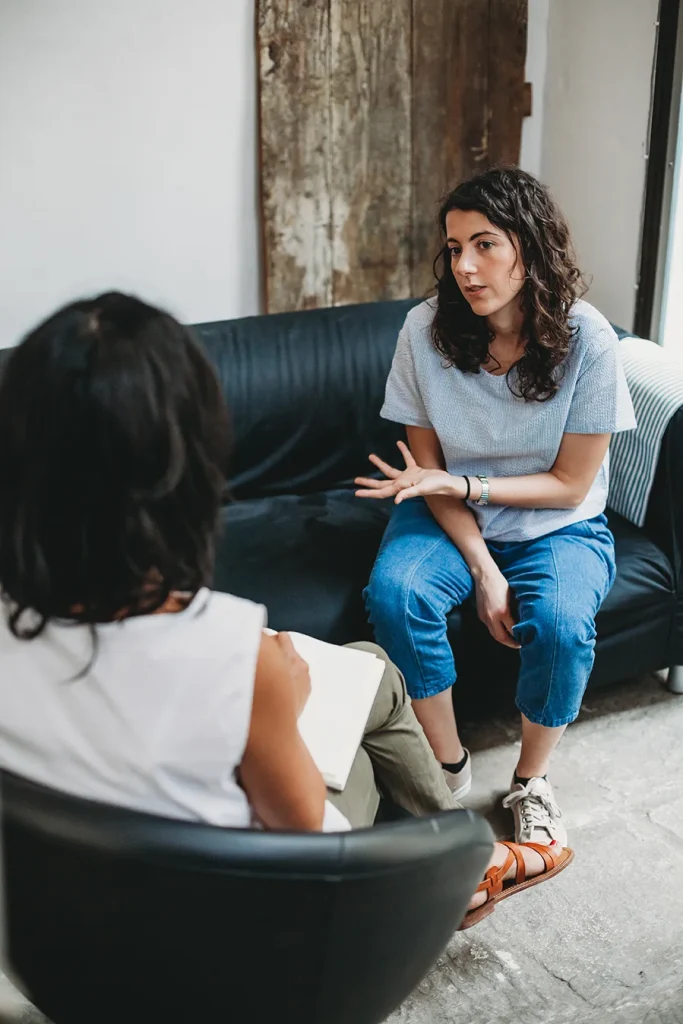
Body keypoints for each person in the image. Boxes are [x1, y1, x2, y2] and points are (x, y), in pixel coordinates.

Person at [0, 291, 571, 929]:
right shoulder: (233, 657)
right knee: (354, 733)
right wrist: (283, 706)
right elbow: (305, 840)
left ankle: (470, 857)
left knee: (373, 670)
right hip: (243, 935)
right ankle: (461, 866)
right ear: (186, 465)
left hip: (68, 947)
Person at [357, 167, 636, 848]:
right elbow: (428, 477)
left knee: (564, 624)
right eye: (454, 249)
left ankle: (531, 781)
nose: (464, 267)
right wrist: (483, 568)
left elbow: (571, 485)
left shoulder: (588, 340)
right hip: (448, 513)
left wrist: (470, 488)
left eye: (484, 245)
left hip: (556, 524)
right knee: (396, 593)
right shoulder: (422, 331)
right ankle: (446, 768)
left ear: (529, 246)